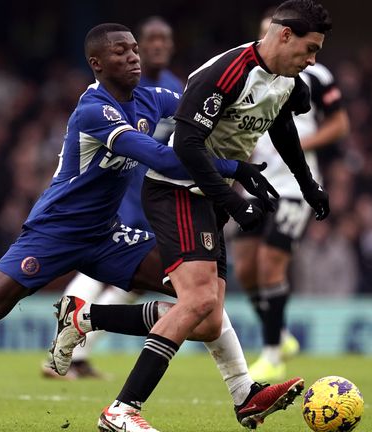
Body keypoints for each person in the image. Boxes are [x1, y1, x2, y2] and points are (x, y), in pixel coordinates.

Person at [0, 23, 289, 430]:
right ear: (96, 64)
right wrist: (233, 167)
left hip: (106, 233)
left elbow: (207, 105)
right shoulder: (93, 110)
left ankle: (242, 393)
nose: (133, 57)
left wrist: (283, 93)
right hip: (54, 232)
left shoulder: (153, 98)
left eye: (134, 50)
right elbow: (162, 156)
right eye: (120, 52)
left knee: (200, 296)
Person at [53, 2, 332, 430]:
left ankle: (86, 318)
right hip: (177, 191)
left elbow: (280, 127)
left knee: (209, 320)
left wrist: (308, 185)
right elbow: (185, 145)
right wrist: (234, 200)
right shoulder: (223, 73)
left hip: (211, 195)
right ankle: (122, 409)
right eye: (310, 49)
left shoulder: (285, 77)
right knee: (199, 302)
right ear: (284, 36)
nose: (312, 61)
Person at [43, 16, 185, 380]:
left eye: (161, 40)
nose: (154, 47)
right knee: (95, 265)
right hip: (122, 196)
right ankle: (66, 339)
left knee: (135, 286)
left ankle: (78, 346)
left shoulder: (171, 88)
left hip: (158, 197)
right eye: (148, 39)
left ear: (169, 47)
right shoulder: (112, 89)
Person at [232, 10, 349, 382]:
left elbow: (340, 124)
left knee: (270, 264)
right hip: (257, 185)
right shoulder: (249, 74)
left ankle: (271, 355)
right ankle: (278, 332)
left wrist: (297, 147)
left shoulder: (315, 75)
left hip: (296, 189)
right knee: (246, 268)